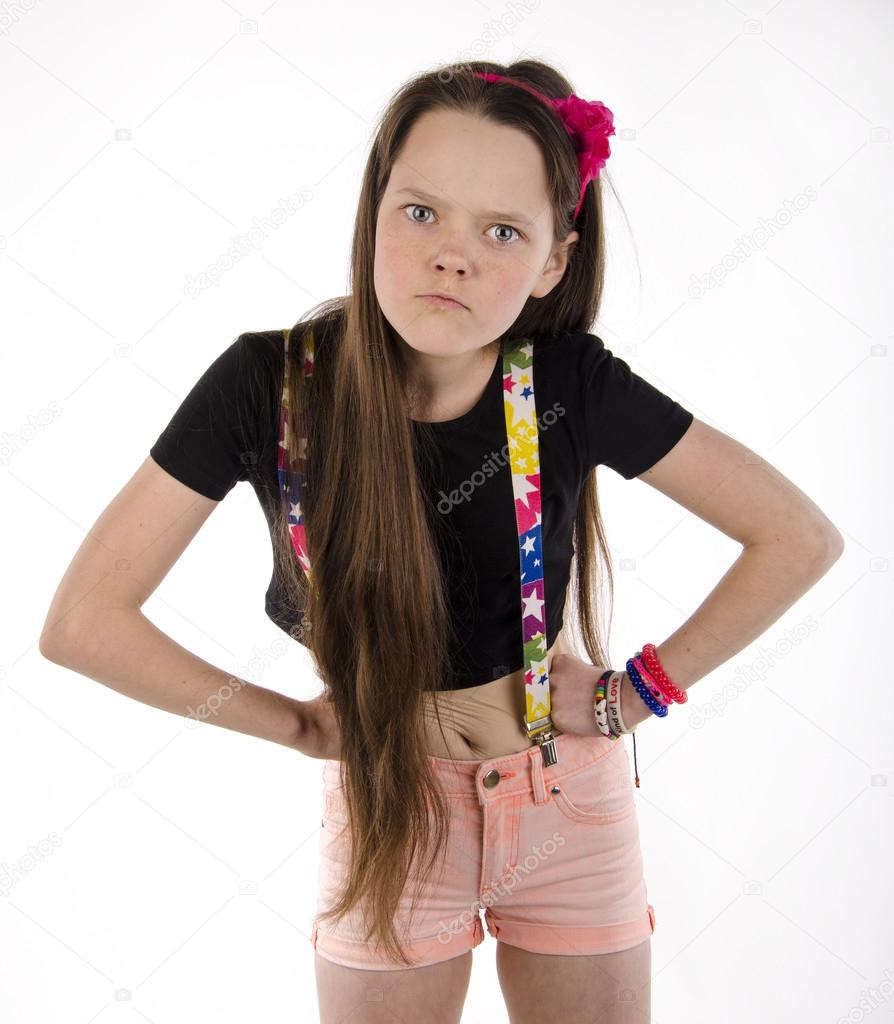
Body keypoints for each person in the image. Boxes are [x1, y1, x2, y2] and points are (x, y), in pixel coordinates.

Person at [40, 58, 844, 1024]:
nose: (451, 256)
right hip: (386, 804)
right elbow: (83, 623)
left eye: (501, 231)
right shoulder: (269, 384)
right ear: (375, 212)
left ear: (553, 260)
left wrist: (641, 693)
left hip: (566, 800)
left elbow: (796, 536)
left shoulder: (569, 385)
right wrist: (295, 727)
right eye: (421, 212)